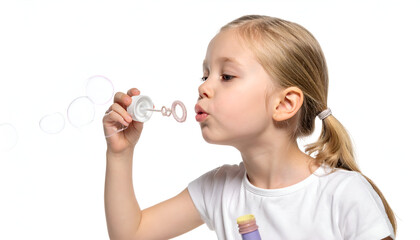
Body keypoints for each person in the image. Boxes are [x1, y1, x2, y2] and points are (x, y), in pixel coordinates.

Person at [103, 15, 396, 239]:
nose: (203, 87)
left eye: (227, 76)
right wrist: (120, 154)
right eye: (205, 75)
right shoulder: (218, 190)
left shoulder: (343, 195)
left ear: (284, 104)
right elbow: (131, 234)